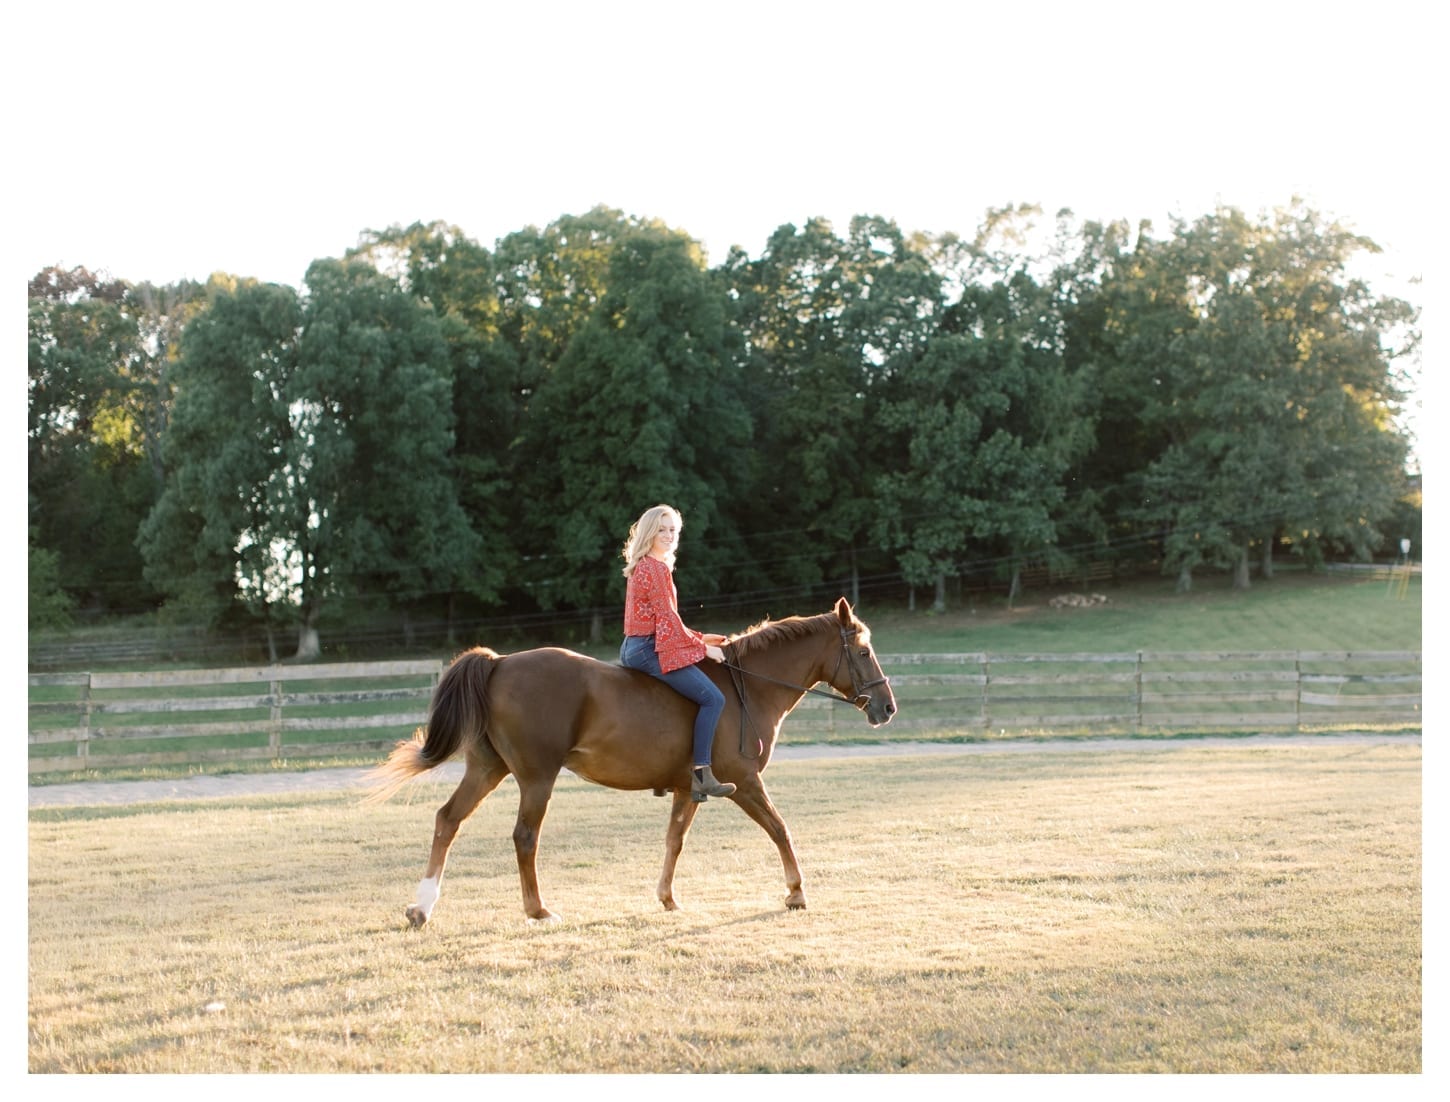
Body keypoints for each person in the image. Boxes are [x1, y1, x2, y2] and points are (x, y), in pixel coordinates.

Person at [619, 504, 736, 802]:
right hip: (646, 649)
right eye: (662, 529)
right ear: (649, 532)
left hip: (635, 645)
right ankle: (701, 773)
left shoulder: (644, 564)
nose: (669, 535)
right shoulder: (656, 569)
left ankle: (668, 770)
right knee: (713, 698)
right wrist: (705, 649)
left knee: (686, 696)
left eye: (673, 530)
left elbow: (666, 620)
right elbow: (668, 621)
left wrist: (697, 636)